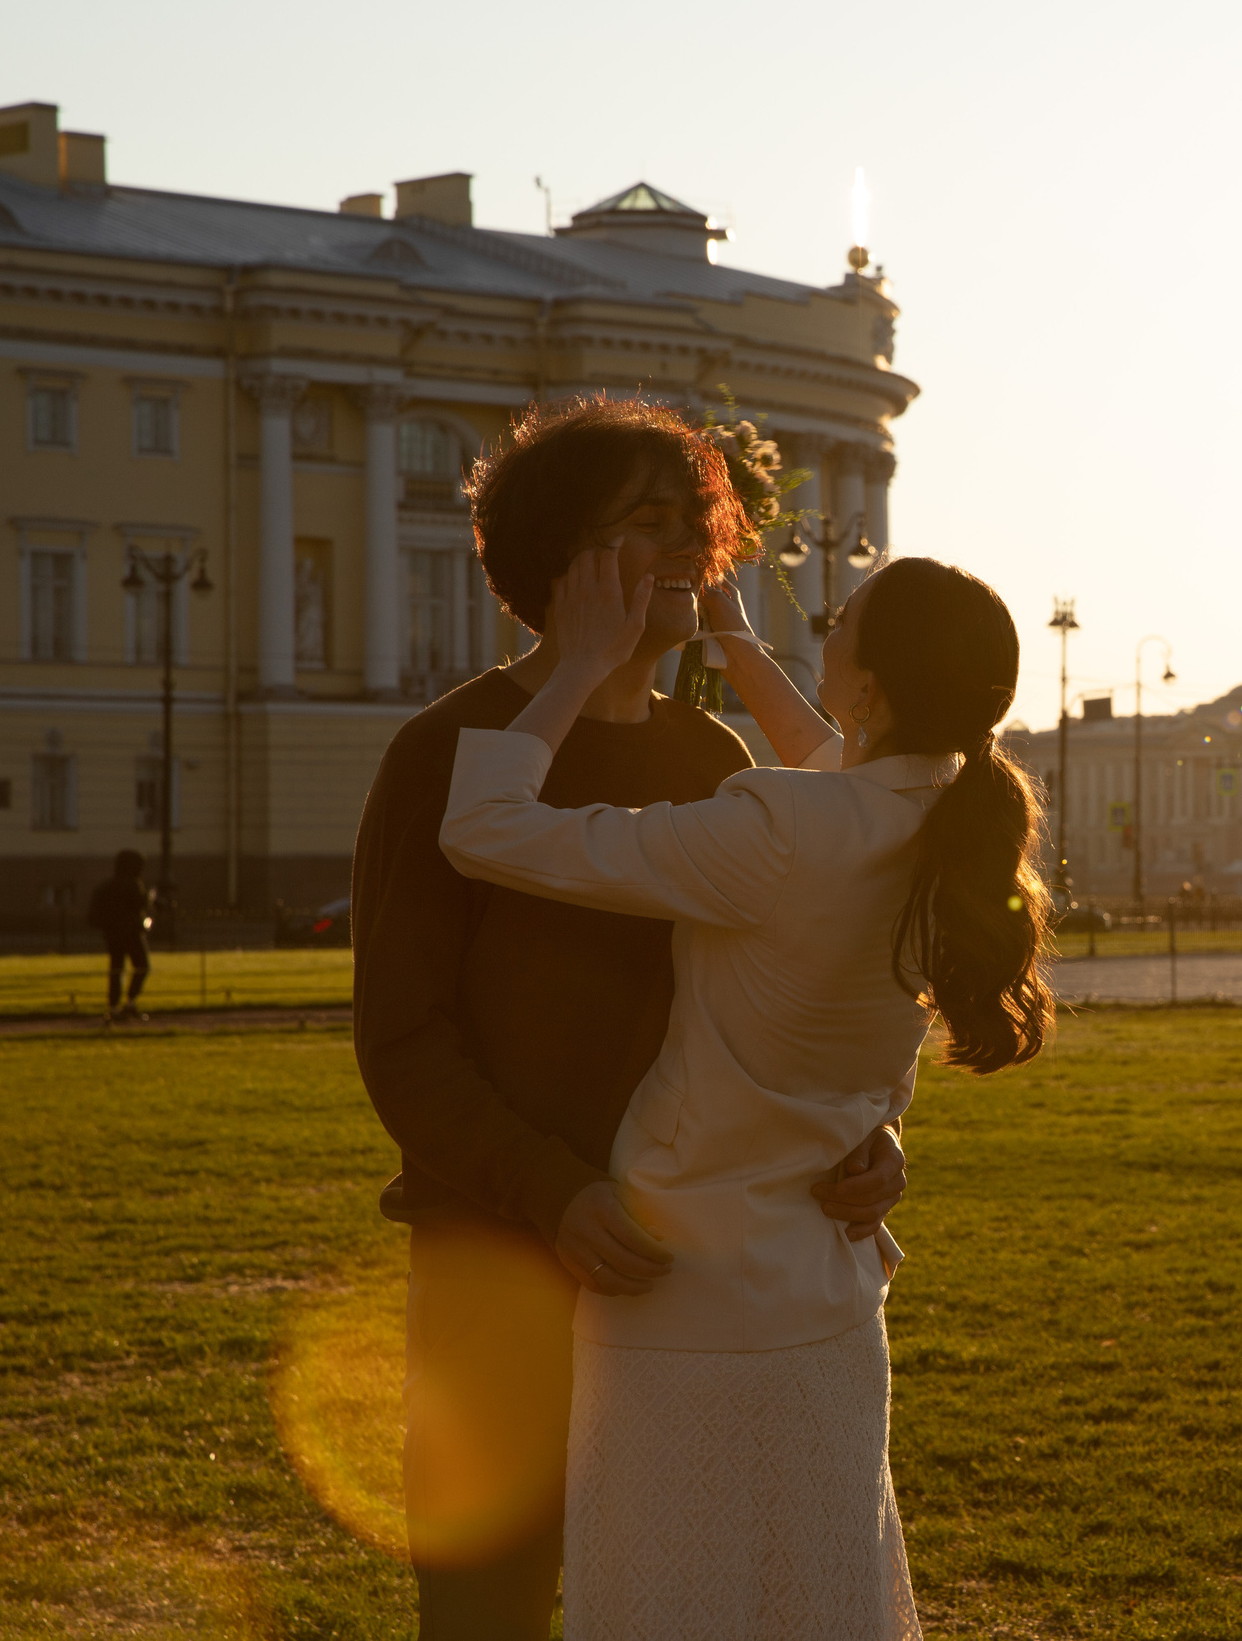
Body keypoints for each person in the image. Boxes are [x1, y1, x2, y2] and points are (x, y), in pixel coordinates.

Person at [351, 397, 909, 1640]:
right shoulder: (446, 752)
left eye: (697, 519)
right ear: (563, 560)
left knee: (686, 1605)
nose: (692, 547)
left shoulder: (711, 759)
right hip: (500, 1265)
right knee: (487, 1609)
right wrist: (553, 1193)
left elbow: (783, 1004)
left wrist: (861, 1136)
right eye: (649, 521)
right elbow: (402, 1043)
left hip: (680, 1274)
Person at [440, 551, 1050, 1638]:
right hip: (828, 1302)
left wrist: (575, 665)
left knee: (671, 1605)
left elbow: (483, 825)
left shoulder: (780, 826)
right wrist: (732, 635)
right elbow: (838, 767)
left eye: (845, 617)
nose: (827, 623)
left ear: (872, 688)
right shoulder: (950, 824)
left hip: (680, 1301)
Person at [87, 849, 152, 1020]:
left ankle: (114, 1007)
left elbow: (94, 912)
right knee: (142, 966)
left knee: (116, 969)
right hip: (132, 934)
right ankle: (130, 1002)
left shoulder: (107, 886)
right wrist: (149, 898)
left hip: (113, 934)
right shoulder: (133, 884)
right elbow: (140, 904)